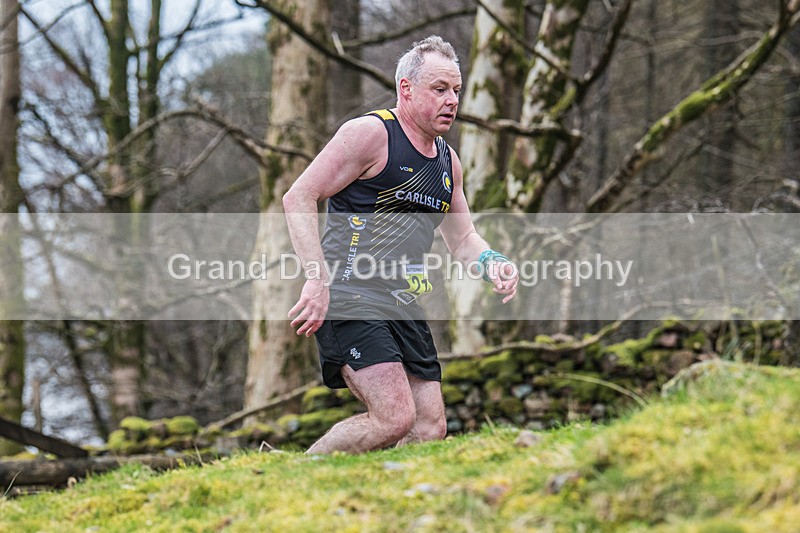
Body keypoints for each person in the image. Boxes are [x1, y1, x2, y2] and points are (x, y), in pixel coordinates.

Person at [282, 35, 518, 454]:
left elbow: (462, 238)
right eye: (440, 89)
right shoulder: (370, 134)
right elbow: (299, 196)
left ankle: (383, 491)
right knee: (393, 417)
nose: (452, 101)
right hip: (350, 294)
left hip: (403, 301)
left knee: (429, 428)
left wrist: (492, 261)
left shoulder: (447, 162)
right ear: (406, 89)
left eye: (457, 90)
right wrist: (316, 279)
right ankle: (299, 474)